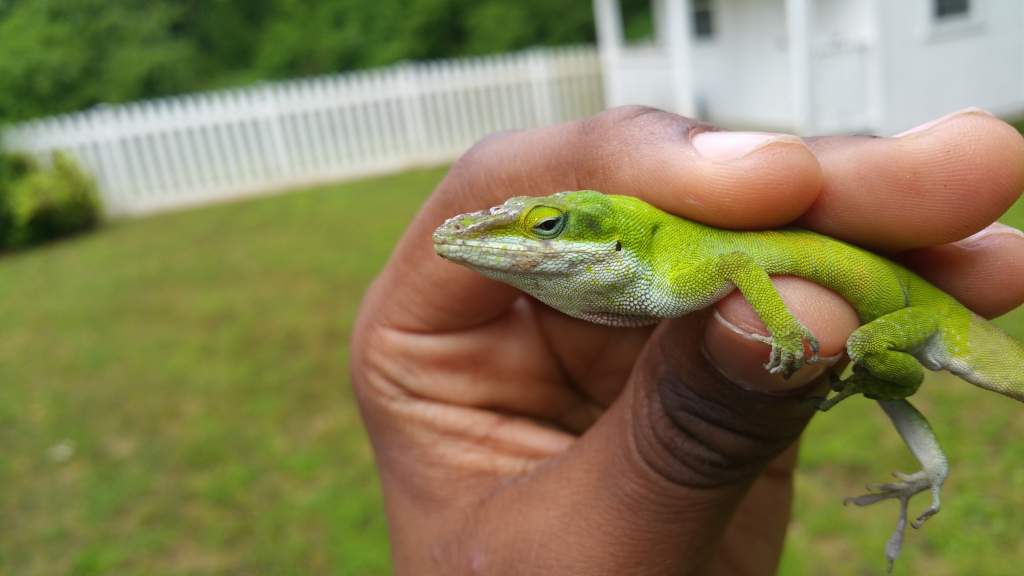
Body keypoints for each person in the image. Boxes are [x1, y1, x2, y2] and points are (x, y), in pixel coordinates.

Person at [350, 107, 1024, 574]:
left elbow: (737, 264)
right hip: (913, 313)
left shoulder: (675, 267)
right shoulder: (657, 256)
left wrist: (785, 329)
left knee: (870, 354)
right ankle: (926, 464)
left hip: (925, 321)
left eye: (546, 226)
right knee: (871, 354)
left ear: (608, 234)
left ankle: (901, 418)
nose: (524, 241)